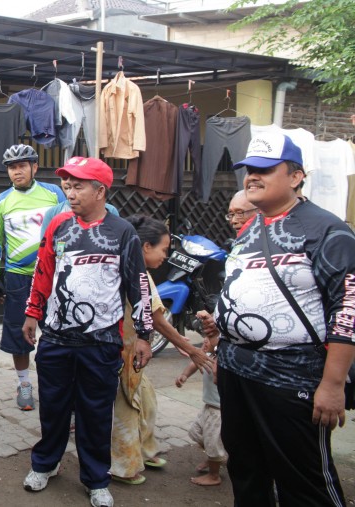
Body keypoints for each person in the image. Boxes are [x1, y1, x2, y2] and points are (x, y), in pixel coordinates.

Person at [199, 132, 355, 506]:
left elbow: (348, 309)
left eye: (266, 169)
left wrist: (333, 384)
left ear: (296, 176)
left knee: (303, 481)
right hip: (237, 372)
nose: (253, 176)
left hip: (291, 376)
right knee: (246, 472)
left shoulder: (327, 229)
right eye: (250, 169)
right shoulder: (251, 229)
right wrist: (222, 338)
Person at [19, 156, 153, 507]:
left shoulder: (122, 232)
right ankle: (45, 464)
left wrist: (144, 334)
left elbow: (138, 284)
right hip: (56, 337)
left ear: (100, 191)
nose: (70, 192)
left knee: (95, 413)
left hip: (102, 341)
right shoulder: (59, 225)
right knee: (53, 406)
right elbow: (43, 270)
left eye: (78, 186)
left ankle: (96, 479)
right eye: (68, 185)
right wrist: (32, 313)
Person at [110, 215, 214, 486]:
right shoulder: (138, 274)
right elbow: (157, 319)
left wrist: (182, 344)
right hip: (122, 354)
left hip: (130, 353)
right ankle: (124, 466)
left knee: (145, 400)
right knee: (127, 408)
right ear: (146, 247)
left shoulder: (129, 268)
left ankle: (145, 451)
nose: (165, 257)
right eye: (164, 249)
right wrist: (191, 349)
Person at [0, 144, 66, 410]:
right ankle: (24, 385)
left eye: (22, 165)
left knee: (57, 334)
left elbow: (67, 228)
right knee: (18, 336)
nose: (16, 171)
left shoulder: (53, 194)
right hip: (18, 278)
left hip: (52, 276)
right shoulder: (1, 202)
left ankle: (56, 388)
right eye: (11, 167)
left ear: (34, 167)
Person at [175, 310, 226, 487]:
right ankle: (215, 457)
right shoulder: (207, 356)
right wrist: (184, 375)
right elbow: (194, 364)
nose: (205, 341)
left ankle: (214, 474)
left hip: (219, 411)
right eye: (204, 337)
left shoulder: (222, 359)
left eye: (210, 338)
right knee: (197, 433)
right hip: (208, 406)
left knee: (212, 441)